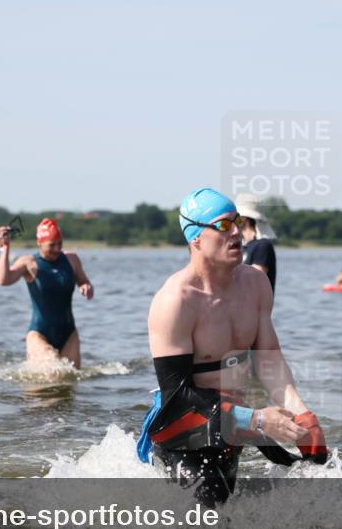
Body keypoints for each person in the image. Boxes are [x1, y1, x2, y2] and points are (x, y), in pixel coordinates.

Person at [136, 188, 328, 507]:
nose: (237, 231)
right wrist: (259, 420)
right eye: (224, 226)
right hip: (182, 433)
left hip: (232, 428)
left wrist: (303, 414)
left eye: (238, 222)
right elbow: (178, 399)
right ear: (196, 237)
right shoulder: (175, 301)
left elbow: (271, 364)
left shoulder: (255, 285)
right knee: (210, 525)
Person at [0, 218, 94, 368]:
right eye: (51, 245)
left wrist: (85, 287)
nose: (56, 249)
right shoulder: (29, 263)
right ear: (39, 242)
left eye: (59, 243)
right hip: (39, 333)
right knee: (52, 371)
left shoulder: (71, 260)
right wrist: (5, 247)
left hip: (69, 334)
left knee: (71, 380)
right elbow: (4, 280)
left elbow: (85, 282)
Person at [234, 193, 277, 295]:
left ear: (244, 218)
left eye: (236, 217)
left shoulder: (263, 245)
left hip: (254, 308)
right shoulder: (242, 246)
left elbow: (254, 279)